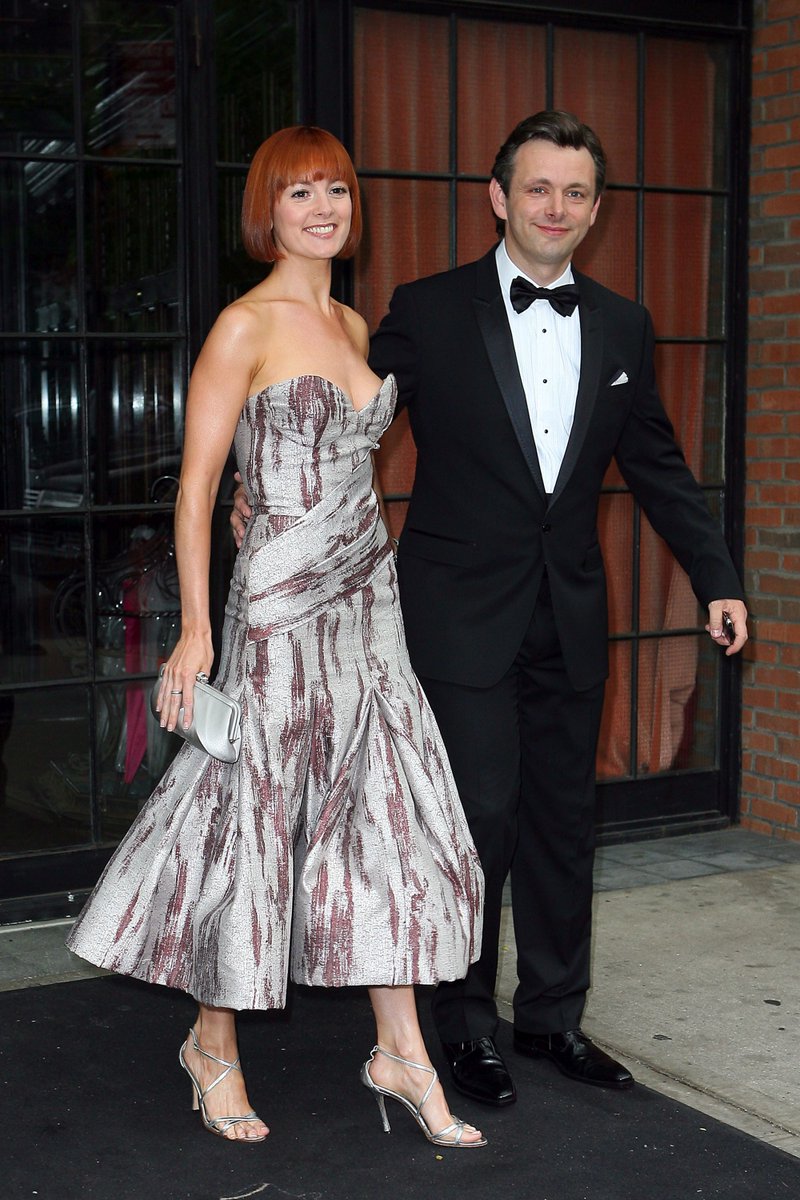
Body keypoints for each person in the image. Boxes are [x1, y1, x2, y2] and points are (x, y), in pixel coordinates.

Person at [231, 110, 749, 1109]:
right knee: (476, 821)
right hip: (457, 614)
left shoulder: (621, 324)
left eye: (575, 193)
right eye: (538, 188)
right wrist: (255, 487)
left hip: (570, 616)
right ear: (497, 197)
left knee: (562, 822)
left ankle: (553, 1017)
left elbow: (658, 467)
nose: (555, 208)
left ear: (593, 211)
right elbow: (340, 414)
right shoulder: (425, 311)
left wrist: (718, 577)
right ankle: (463, 1026)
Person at [67, 125, 486, 1149]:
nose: (321, 208)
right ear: (269, 212)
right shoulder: (243, 326)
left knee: (385, 815)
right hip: (276, 613)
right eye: (298, 193)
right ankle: (213, 1043)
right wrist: (195, 631)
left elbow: (347, 466)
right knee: (253, 816)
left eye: (335, 189)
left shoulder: (351, 321)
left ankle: (401, 1052)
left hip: (366, 606)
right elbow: (200, 487)